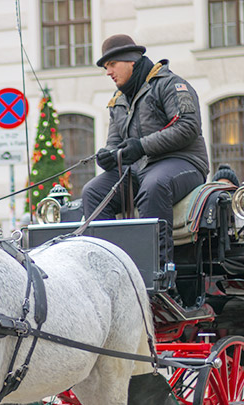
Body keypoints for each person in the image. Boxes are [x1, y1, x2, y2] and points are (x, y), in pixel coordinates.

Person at [82, 34, 209, 265]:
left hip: (183, 162)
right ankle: (109, 268)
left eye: (111, 65)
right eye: (106, 67)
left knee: (155, 186)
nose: (108, 72)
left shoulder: (170, 85)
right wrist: (109, 156)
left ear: (131, 60)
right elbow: (115, 141)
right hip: (140, 168)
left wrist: (141, 146)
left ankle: (158, 274)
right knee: (93, 191)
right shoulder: (118, 99)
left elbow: (188, 127)